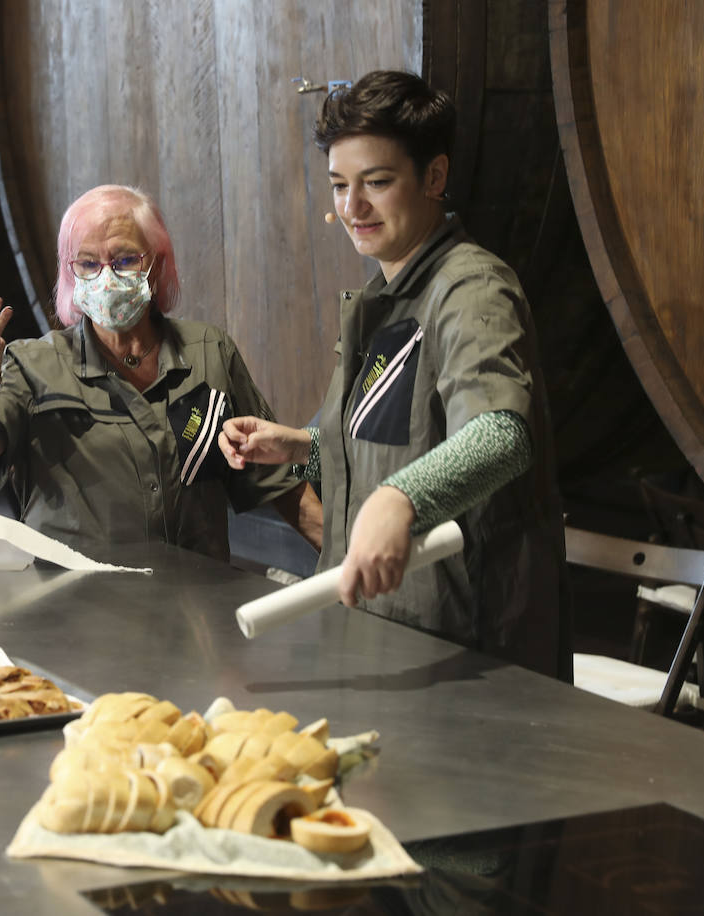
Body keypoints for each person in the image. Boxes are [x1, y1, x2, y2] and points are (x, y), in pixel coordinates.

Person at [219, 71, 570, 679]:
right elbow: (386, 450)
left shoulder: (469, 287)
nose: (352, 207)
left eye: (376, 183)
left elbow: (500, 435)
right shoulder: (384, 297)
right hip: (381, 635)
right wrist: (299, 448)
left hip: (468, 651)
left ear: (434, 177)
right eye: (339, 185)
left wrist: (401, 499)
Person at [0, 184, 322, 562]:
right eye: (89, 263)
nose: (107, 277)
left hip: (195, 605)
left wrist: (353, 563)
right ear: (71, 272)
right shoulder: (34, 364)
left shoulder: (209, 352)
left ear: (157, 263)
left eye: (126, 259)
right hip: (72, 607)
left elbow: (276, 481)